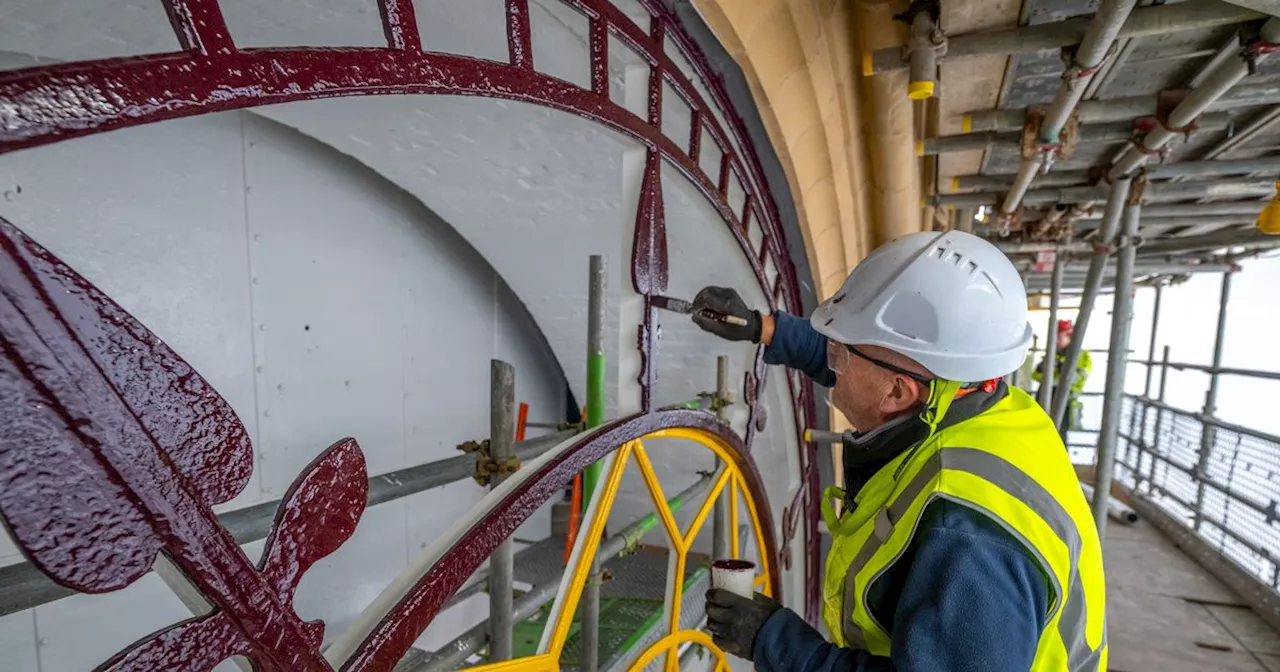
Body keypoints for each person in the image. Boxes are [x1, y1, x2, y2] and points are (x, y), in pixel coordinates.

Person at [692, 231, 1107, 672]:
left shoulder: (967, 537)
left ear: (897, 391)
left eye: (839, 353)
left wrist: (774, 641)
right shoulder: (988, 403)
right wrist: (764, 328)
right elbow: (878, 368)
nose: (830, 361)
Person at [1032, 320, 1093, 432]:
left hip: (1065, 400)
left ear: (1070, 337)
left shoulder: (1082, 356)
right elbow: (1035, 375)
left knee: (1058, 434)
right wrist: (1042, 368)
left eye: (1059, 338)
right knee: (1039, 431)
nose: (1056, 341)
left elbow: (1075, 379)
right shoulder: (1053, 354)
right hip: (1045, 395)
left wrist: (1062, 367)